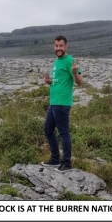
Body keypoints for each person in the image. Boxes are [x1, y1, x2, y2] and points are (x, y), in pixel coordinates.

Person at [41, 35, 82, 172]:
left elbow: (79, 82)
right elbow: (59, 80)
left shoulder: (70, 61)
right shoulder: (56, 61)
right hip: (53, 102)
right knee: (48, 130)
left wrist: (75, 73)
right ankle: (54, 159)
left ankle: (67, 163)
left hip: (62, 103)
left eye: (61, 46)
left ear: (66, 47)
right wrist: (49, 82)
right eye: (56, 46)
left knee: (64, 133)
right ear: (54, 47)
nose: (58, 48)